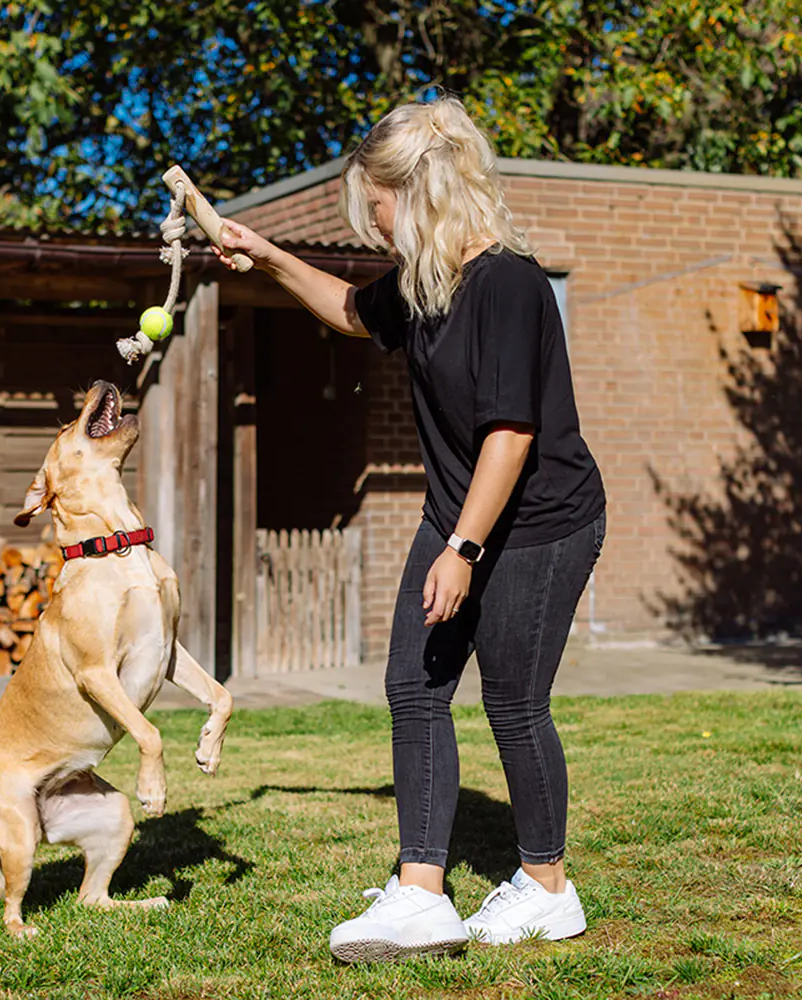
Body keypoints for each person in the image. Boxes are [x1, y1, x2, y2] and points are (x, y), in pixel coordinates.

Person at [211, 96, 606, 964]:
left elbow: (512, 435)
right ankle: (422, 897)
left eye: (378, 208)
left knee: (512, 699)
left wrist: (463, 551)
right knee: (415, 686)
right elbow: (354, 311)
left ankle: (548, 888)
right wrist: (267, 256)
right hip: (458, 512)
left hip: (540, 523)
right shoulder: (426, 287)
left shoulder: (507, 281)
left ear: (415, 193)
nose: (376, 225)